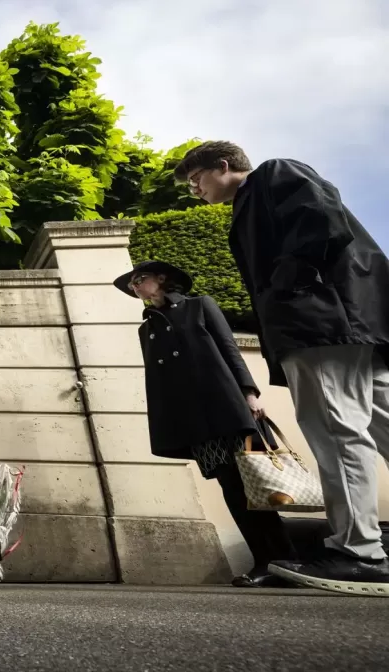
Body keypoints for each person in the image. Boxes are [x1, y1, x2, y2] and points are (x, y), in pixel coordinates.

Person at [174, 140, 389, 595]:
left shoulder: (273, 174)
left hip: (320, 326)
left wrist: (287, 286)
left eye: (196, 180)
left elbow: (321, 220)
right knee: (381, 424)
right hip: (347, 324)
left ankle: (360, 553)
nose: (194, 191)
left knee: (336, 431)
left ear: (224, 166)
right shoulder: (253, 202)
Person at [114, 260, 296, 587]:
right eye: (132, 284)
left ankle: (286, 560)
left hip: (229, 408)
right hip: (194, 419)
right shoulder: (147, 328)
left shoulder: (200, 306)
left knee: (256, 483)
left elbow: (230, 350)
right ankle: (264, 562)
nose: (134, 286)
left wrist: (250, 394)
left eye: (139, 279)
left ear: (162, 279)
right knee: (230, 486)